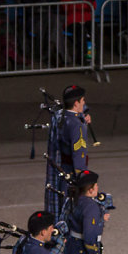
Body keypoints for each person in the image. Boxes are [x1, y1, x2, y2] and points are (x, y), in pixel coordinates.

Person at [45, 84, 90, 215]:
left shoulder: (61, 117)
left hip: (62, 169)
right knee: (71, 211)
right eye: (83, 101)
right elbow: (79, 154)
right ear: (76, 103)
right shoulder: (77, 125)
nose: (84, 103)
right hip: (72, 172)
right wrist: (82, 178)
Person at [22, 0, 64, 66]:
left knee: (54, 25)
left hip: (51, 21)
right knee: (54, 23)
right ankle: (58, 55)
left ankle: (51, 54)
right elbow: (30, 11)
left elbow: (54, 8)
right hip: (36, 22)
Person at [60, 0, 96, 65]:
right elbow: (66, 8)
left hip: (86, 18)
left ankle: (94, 58)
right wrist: (83, 1)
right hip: (72, 20)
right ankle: (82, 60)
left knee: (96, 31)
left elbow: (93, 6)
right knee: (81, 33)